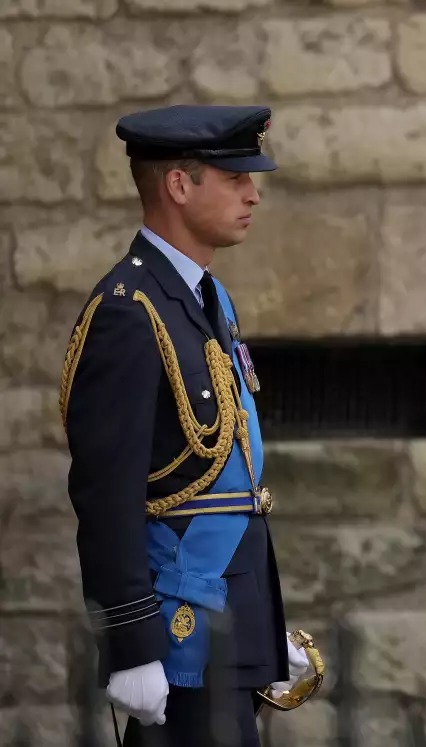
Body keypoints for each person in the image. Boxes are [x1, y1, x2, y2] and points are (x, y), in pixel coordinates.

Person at [59, 105, 313, 746]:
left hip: (225, 626)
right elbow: (107, 493)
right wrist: (130, 643)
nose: (253, 194)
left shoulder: (207, 298)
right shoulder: (128, 312)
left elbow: (231, 485)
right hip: (177, 640)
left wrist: (262, 621)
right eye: (235, 179)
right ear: (179, 184)